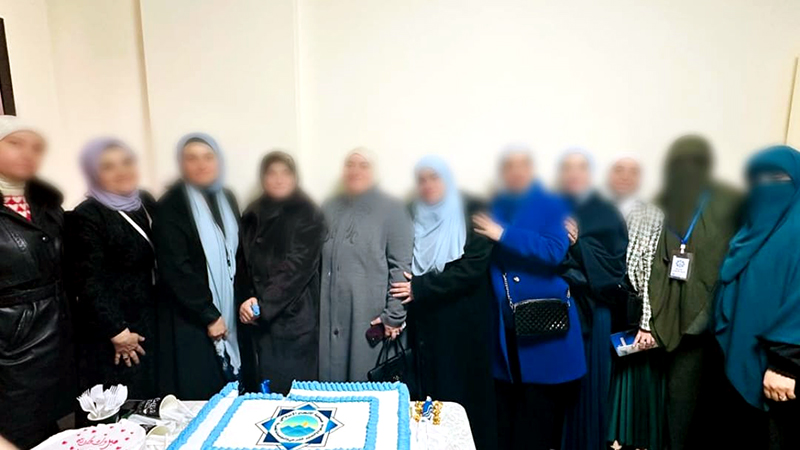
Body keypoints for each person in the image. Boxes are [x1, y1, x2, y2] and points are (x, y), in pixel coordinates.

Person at [477, 146, 585, 450]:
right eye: (509, 166)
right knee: (507, 417)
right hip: (506, 326)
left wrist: (503, 234)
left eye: (522, 165)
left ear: (532, 170)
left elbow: (553, 250)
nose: (516, 171)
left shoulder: (552, 205)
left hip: (542, 328)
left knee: (537, 418)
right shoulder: (495, 204)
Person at [391, 156, 497, 450]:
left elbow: (472, 268)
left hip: (463, 324)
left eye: (434, 177)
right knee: (431, 396)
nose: (428, 185)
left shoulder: (473, 211)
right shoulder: (413, 213)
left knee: (464, 397)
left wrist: (421, 287)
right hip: (426, 324)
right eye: (422, 180)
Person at [648, 135, 740, 450]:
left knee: (707, 397)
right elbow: (649, 259)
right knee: (673, 396)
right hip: (666, 313)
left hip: (715, 317)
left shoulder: (729, 201)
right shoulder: (662, 200)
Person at [715, 145, 800, 449]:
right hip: (740, 354)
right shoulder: (750, 232)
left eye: (777, 178)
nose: (765, 187)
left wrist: (786, 365)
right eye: (757, 179)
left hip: (780, 373)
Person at [0, 116, 74, 449]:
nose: (28, 153)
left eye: (36, 147)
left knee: (55, 431)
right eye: (15, 144)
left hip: (56, 334)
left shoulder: (47, 205)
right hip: (11, 346)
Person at [67, 138, 157, 399]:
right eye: (108, 166)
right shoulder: (88, 215)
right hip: (118, 331)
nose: (121, 171)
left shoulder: (144, 202)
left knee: (154, 397)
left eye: (126, 162)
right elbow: (87, 281)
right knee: (126, 400)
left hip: (149, 317)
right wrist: (117, 331)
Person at [153, 133, 242, 400]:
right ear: (182, 165)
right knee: (203, 393)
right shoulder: (171, 205)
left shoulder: (226, 198)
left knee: (233, 390)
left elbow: (237, 255)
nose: (201, 165)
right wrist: (209, 314)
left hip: (229, 309)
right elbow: (176, 268)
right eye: (191, 158)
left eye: (208, 157)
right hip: (191, 317)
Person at [318, 148, 413, 382]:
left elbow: (400, 266)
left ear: (374, 172)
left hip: (369, 317)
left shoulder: (393, 210)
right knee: (333, 388)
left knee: (365, 383)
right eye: (350, 165)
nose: (355, 171)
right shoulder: (330, 207)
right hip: (332, 317)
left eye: (363, 165)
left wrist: (394, 315)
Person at [236, 151, 325, 395]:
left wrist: (262, 306)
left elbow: (296, 268)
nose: (278, 179)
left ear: (295, 177)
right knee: (265, 397)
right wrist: (246, 299)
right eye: (271, 173)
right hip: (258, 321)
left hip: (293, 322)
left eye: (285, 173)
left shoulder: (308, 212)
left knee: (295, 398)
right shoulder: (252, 211)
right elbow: (242, 260)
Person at [557, 149, 629, 450]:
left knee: (588, 387)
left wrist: (577, 246)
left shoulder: (606, 212)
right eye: (568, 168)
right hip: (557, 309)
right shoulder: (552, 208)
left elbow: (615, 267)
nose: (574, 174)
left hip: (594, 310)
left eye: (581, 168)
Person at [605, 156, 666, 450]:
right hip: (604, 303)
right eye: (619, 170)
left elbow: (651, 269)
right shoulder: (599, 208)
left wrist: (647, 321)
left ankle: (629, 438)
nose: (625, 177)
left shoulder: (652, 212)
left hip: (634, 305)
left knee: (632, 375)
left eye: (633, 172)